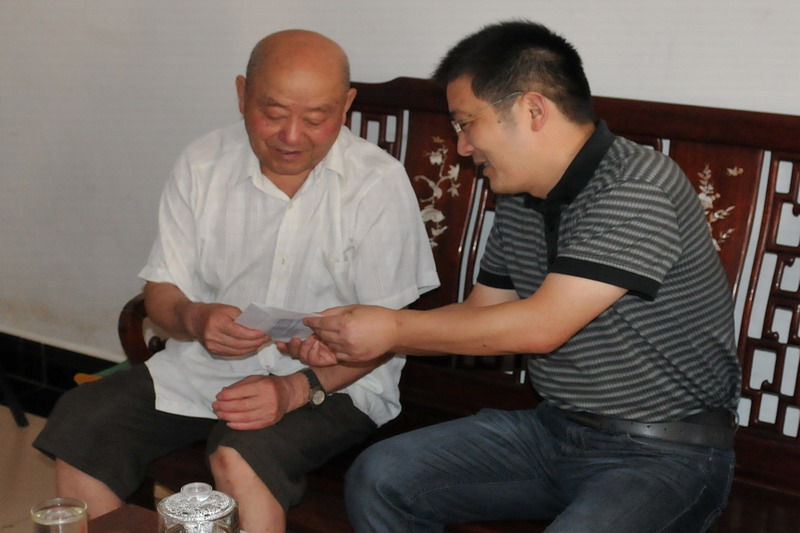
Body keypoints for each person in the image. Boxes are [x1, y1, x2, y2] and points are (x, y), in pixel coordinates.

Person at [287, 20, 742, 533]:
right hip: (553, 432)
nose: (462, 146)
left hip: (667, 454)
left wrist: (390, 330)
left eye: (466, 123)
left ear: (532, 109)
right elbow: (482, 312)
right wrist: (355, 341)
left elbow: (541, 326)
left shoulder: (637, 184)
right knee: (381, 476)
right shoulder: (521, 198)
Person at [34, 29, 438, 533]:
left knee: (240, 455)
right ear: (242, 94)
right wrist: (194, 318)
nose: (292, 136)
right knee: (85, 421)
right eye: (273, 113)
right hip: (204, 369)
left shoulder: (376, 183)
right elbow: (162, 291)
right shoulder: (203, 163)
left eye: (316, 119)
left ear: (346, 106)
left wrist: (295, 388)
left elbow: (389, 332)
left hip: (337, 383)